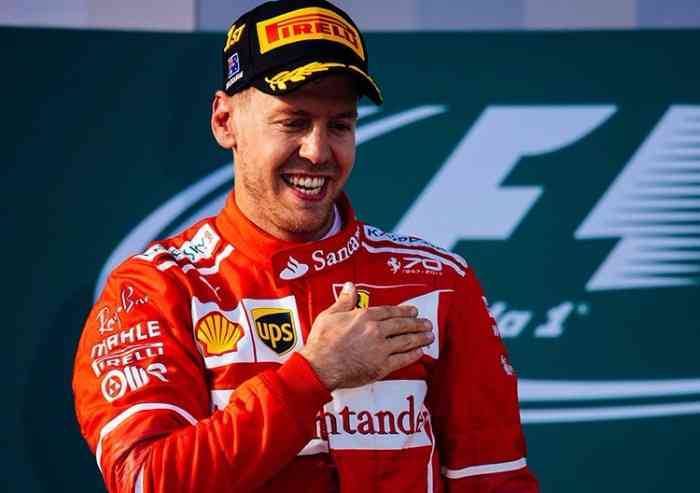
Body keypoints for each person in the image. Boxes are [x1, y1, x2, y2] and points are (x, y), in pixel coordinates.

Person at [73, 1, 539, 492]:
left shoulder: (436, 282)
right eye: (292, 122)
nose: (317, 152)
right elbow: (146, 479)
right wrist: (313, 376)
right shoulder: (158, 288)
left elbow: (494, 480)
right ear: (225, 121)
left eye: (339, 125)